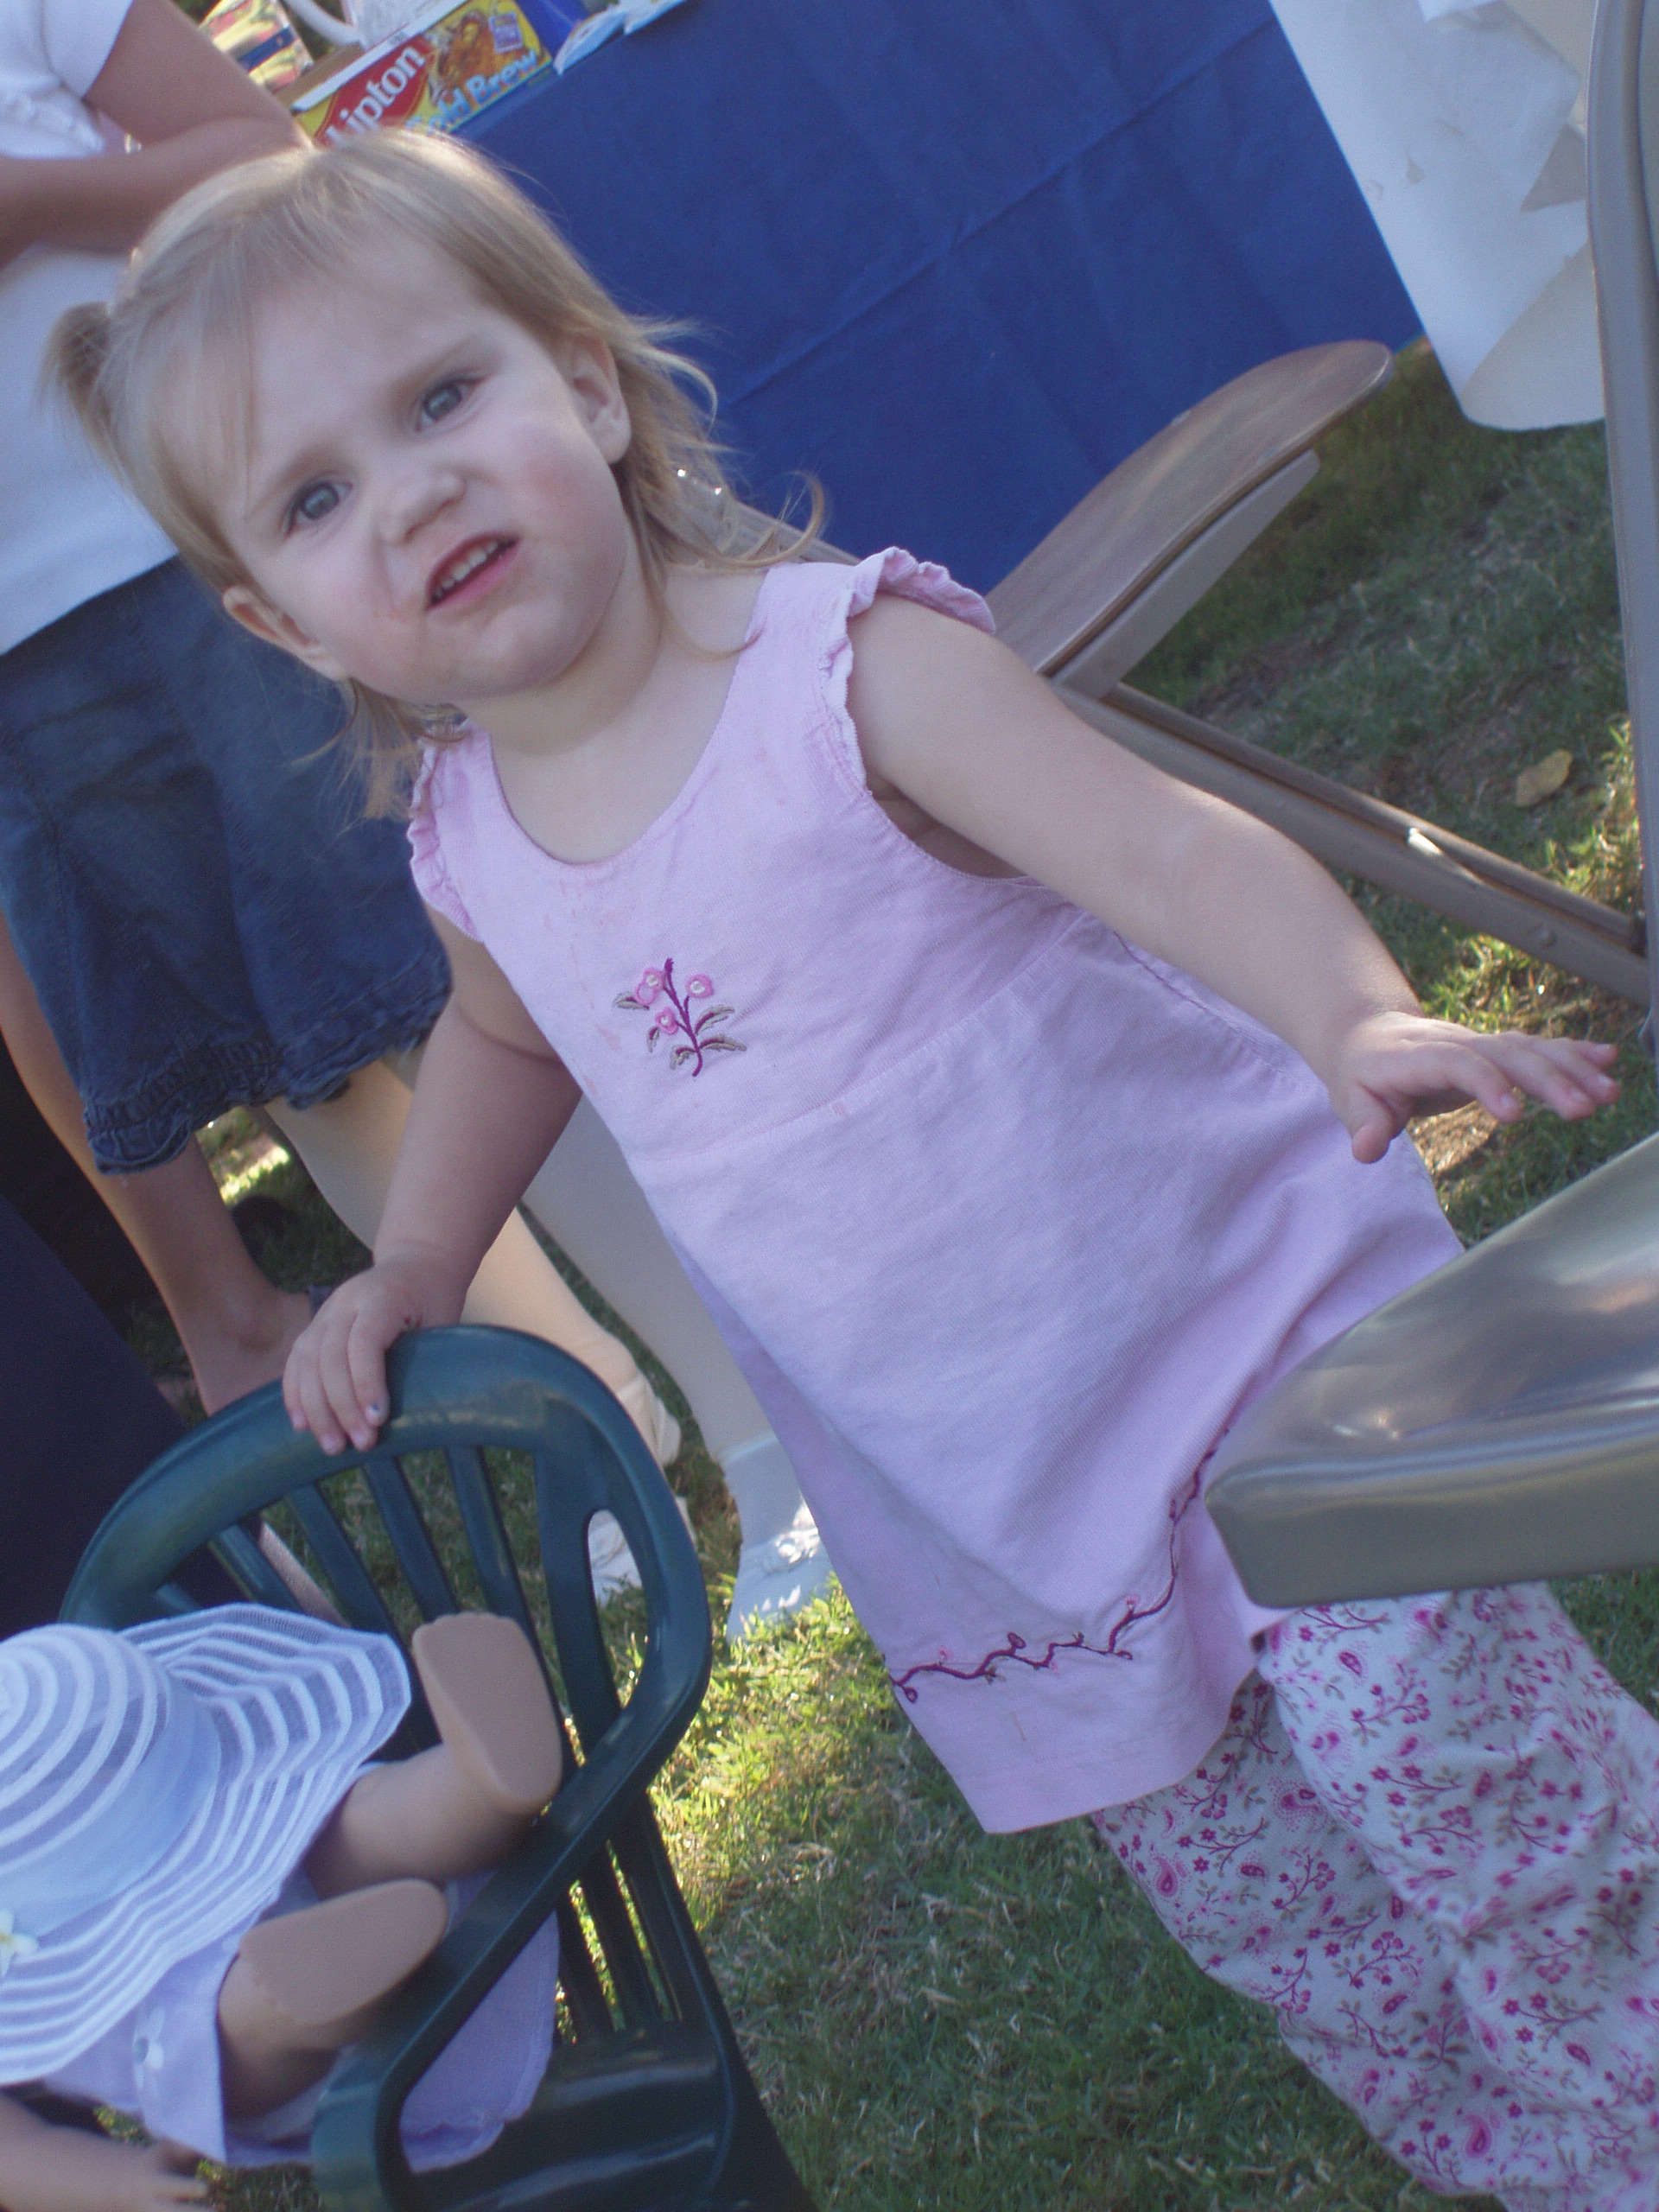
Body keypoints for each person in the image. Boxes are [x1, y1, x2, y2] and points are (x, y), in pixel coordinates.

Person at [56, 128, 1652, 2205]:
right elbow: (504, 1039)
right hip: (1005, 1495)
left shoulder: (837, 668)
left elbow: (1162, 847)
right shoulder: (473, 843)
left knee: (1496, 1818)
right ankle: (1535, 2165)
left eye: (442, 396)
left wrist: (1352, 1014)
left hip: (1255, 1338)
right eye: (317, 495)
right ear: (280, 622)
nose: (415, 491)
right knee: (1298, 1930)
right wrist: (420, 1258)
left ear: (583, 382)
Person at [0, 0, 686, 1519]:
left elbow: (255, 150)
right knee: (312, 1069)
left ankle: (749, 1402)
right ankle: (603, 1441)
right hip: (22, 678)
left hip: (195, 552)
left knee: (459, 989)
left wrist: (32, 203)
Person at [0, 1605, 561, 2203]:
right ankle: (468, 1792)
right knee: (347, 1832)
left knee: (227, 2030)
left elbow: (15, 2154)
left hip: (187, 1987)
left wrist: (119, 2187)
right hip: (236, 1841)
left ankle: (293, 2005)